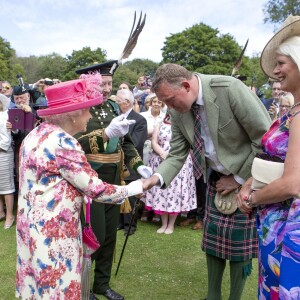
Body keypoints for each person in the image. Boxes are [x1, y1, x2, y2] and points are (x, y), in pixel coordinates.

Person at [142, 63, 271, 300]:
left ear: (186, 85)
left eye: (170, 100)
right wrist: (154, 179)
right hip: (214, 180)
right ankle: (213, 297)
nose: (169, 108)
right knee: (214, 244)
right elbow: (177, 153)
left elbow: (264, 138)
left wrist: (239, 179)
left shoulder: (229, 89)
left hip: (247, 180)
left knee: (238, 248)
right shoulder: (179, 111)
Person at [15, 73, 143, 299]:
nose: (89, 115)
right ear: (73, 115)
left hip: (31, 227)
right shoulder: (65, 142)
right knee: (58, 288)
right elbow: (96, 189)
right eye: (86, 109)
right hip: (54, 232)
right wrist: (136, 187)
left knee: (38, 288)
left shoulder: (34, 135)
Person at [75, 61, 152, 300]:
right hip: (89, 180)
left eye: (109, 84)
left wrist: (138, 165)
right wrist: (106, 134)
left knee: (109, 235)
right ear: (90, 84)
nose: (108, 89)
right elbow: (75, 142)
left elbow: (126, 142)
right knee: (93, 234)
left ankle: (101, 284)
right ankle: (84, 287)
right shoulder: (79, 109)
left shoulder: (111, 107)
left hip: (114, 179)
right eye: (102, 84)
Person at [237, 15, 300, 300]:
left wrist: (252, 199)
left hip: (289, 224)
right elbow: (270, 157)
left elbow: (292, 183)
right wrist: (249, 183)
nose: (275, 71)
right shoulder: (290, 113)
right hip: (272, 221)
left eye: (281, 64)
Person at [142, 112, 197, 234]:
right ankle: (163, 223)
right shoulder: (160, 124)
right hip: (160, 159)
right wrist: (162, 153)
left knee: (175, 192)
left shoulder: (185, 124)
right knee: (162, 191)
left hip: (179, 161)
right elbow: (154, 142)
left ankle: (171, 225)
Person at [115, 89, 147, 235]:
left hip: (131, 164)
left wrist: (118, 144)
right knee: (118, 194)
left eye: (118, 102)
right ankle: (119, 223)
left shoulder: (139, 120)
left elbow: (136, 143)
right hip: (117, 164)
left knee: (131, 196)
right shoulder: (115, 118)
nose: (116, 104)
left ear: (127, 103)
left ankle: (130, 225)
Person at [139, 93, 166, 223]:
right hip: (145, 150)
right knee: (144, 178)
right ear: (150, 103)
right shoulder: (143, 116)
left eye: (159, 102)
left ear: (162, 104)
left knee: (157, 181)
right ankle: (143, 209)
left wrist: (153, 134)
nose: (156, 103)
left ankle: (157, 211)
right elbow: (140, 133)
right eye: (154, 101)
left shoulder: (165, 118)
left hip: (158, 154)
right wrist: (153, 132)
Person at [0, 94, 15, 229]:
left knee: (6, 185)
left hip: (3, 152)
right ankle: (1, 212)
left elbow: (12, 132)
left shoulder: (6, 114)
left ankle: (10, 215)